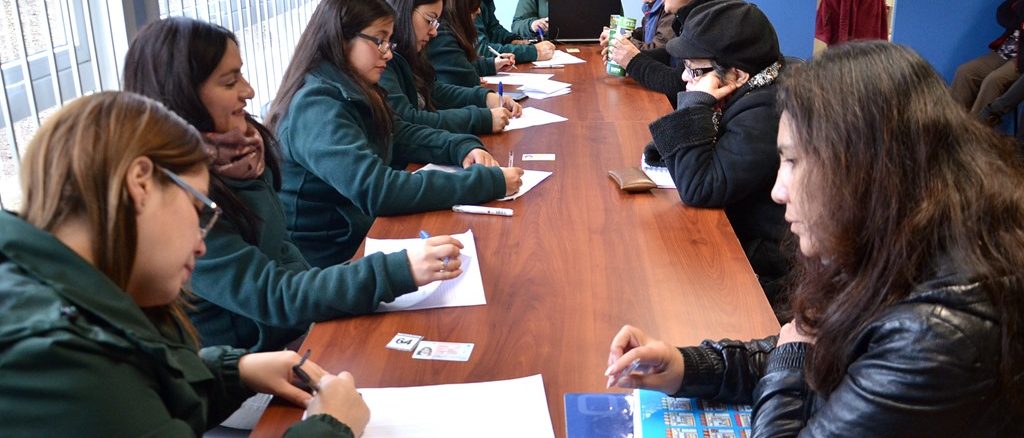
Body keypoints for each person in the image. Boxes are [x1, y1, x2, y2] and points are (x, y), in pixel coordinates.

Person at [606, 41, 1024, 436]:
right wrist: (685, 366)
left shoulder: (933, 335)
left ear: (864, 169)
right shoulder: (904, 239)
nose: (778, 191)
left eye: (792, 161)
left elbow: (801, 350)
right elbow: (811, 342)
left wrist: (790, 363)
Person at [0, 91, 370, 437]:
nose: (201, 245)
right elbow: (111, 390)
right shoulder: (62, 360)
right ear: (140, 183)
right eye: (197, 208)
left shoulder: (47, 295)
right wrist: (332, 425)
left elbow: (134, 390)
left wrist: (232, 373)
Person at [123, 17, 466, 352]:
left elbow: (284, 252)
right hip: (253, 358)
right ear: (183, 94)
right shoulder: (178, 200)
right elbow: (273, 294)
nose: (248, 91)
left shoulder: (244, 153)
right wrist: (396, 271)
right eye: (229, 82)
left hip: (298, 317)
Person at [267, 0, 523, 268]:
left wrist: (461, 147)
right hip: (332, 261)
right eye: (379, 41)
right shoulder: (315, 106)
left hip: (361, 233)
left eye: (388, 41)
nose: (388, 53)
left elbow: (398, 133)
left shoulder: (350, 85)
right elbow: (378, 190)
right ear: (341, 39)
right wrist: (485, 183)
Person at [644, 0, 791, 309]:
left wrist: (695, 104)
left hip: (766, 262)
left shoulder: (766, 110)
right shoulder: (753, 86)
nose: (685, 78)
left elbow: (700, 188)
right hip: (742, 235)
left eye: (695, 70)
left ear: (737, 74)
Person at [382, 0, 523, 135]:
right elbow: (408, 121)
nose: (434, 32)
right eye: (429, 20)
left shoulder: (410, 53)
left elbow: (433, 90)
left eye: (435, 23)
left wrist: (486, 98)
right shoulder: (384, 61)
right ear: (405, 11)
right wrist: (481, 119)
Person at [606, 0, 719, 106]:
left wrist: (633, 61)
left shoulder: (706, 25)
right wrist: (626, 57)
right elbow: (668, 55)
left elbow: (679, 82)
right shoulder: (690, 17)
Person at [951, 0, 1024, 117]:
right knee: (965, 72)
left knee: (993, 81)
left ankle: (977, 126)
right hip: (1004, 51)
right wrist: (1020, 23)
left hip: (1021, 60)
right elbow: (1002, 14)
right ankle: (952, 122)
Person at [426, 0, 516, 87]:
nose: (479, 11)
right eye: (474, 4)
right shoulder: (443, 34)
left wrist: (491, 65)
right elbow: (465, 78)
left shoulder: (449, 29)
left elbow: (459, 63)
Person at [476, 0, 556, 63]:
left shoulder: (485, 2)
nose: (478, 11)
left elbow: (494, 29)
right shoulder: (471, 5)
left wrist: (513, 40)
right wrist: (534, 52)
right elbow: (481, 51)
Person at [600, 0, 676, 52]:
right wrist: (618, 33)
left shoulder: (669, 9)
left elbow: (659, 50)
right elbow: (644, 31)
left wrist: (622, 41)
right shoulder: (650, 7)